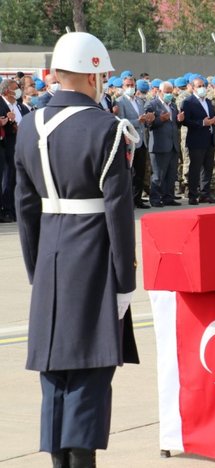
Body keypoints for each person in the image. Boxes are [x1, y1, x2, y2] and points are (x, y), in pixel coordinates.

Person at [14, 32, 140, 468]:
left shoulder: (30, 124)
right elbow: (118, 211)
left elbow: (25, 205)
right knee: (90, 366)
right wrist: (125, 280)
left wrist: (36, 266)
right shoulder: (106, 128)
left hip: (49, 253)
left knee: (54, 370)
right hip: (92, 254)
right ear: (91, 75)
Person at [181, 77, 215, 205]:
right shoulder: (188, 102)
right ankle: (193, 195)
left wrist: (214, 121)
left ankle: (205, 193)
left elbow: (211, 117)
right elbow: (186, 121)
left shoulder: (208, 101)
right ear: (192, 88)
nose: (202, 88)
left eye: (203, 85)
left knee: (208, 168)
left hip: (209, 138)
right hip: (196, 140)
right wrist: (202, 123)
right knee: (195, 168)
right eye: (199, 86)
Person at [116, 76, 154, 208]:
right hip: (130, 141)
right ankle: (129, 200)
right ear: (123, 87)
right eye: (128, 85)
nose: (130, 87)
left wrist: (148, 119)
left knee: (140, 171)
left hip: (142, 140)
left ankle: (137, 199)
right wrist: (138, 121)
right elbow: (121, 122)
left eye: (132, 85)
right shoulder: (120, 102)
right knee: (130, 172)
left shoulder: (139, 101)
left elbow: (143, 120)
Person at [145, 80, 184, 207]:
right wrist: (160, 119)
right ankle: (155, 199)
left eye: (171, 92)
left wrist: (179, 120)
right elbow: (148, 124)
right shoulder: (152, 105)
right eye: (167, 92)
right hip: (159, 146)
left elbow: (175, 125)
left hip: (172, 145)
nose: (169, 95)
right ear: (159, 92)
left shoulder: (172, 105)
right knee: (158, 175)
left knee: (171, 174)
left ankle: (168, 197)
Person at [0, 78, 31, 221]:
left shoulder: (19, 106)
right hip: (7, 148)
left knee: (17, 180)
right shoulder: (1, 104)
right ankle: (6, 210)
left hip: (21, 146)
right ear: (7, 92)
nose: (18, 90)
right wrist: (9, 123)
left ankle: (14, 209)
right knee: (8, 179)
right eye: (15, 88)